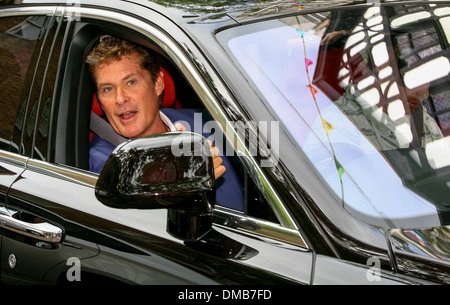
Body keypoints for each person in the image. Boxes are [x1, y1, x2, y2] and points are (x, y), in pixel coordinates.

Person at [85, 36, 244, 210]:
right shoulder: (105, 161)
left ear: (158, 84)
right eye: (108, 89)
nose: (120, 98)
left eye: (131, 82)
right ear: (99, 100)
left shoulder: (205, 122)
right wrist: (185, 184)